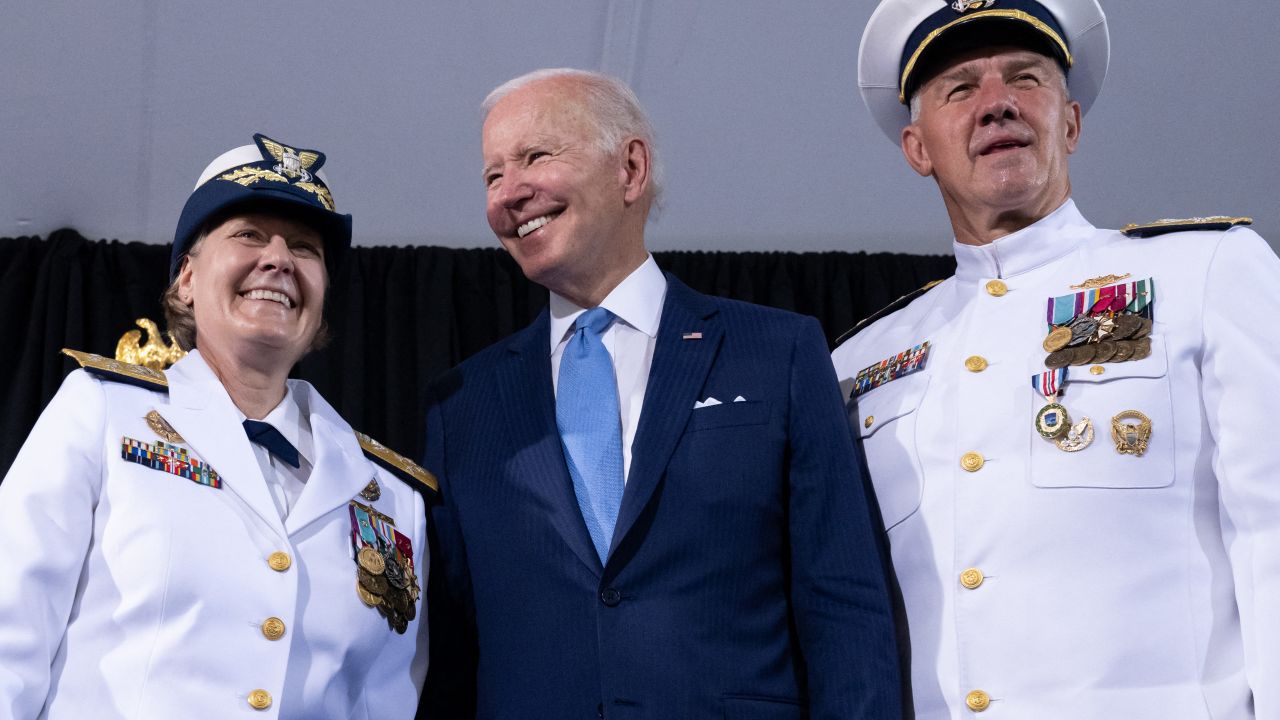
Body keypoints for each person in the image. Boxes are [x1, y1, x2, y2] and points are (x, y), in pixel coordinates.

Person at [832, 1, 1280, 717]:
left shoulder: (1207, 271)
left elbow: (1272, 527)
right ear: (918, 149)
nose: (997, 104)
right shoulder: (859, 362)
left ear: (1069, 123)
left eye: (1025, 79)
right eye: (961, 89)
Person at [420, 68, 900, 719]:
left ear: (631, 168)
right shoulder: (462, 404)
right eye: (492, 175)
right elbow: (449, 655)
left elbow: (844, 604)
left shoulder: (775, 354)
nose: (510, 193)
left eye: (536, 156)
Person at [0, 134, 434, 718]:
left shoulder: (392, 496)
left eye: (305, 248)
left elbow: (388, 699)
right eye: (248, 234)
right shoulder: (102, 411)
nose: (278, 258)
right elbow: (11, 631)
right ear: (185, 279)